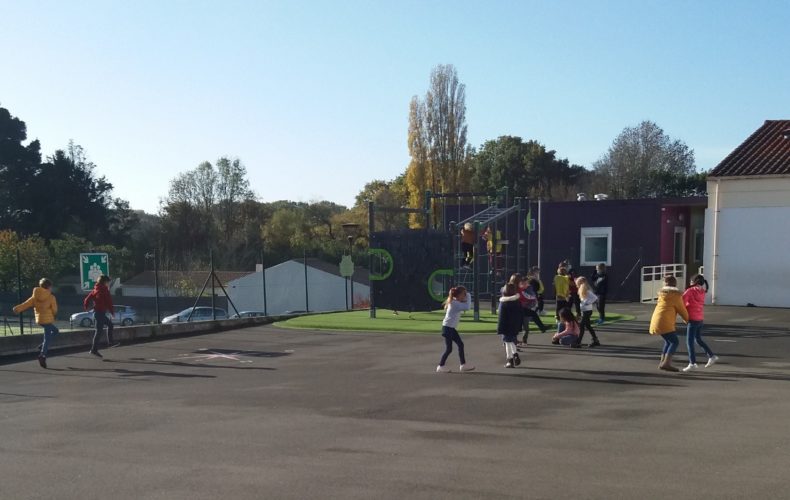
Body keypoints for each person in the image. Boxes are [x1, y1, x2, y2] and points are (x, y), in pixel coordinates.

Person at [13, 278, 58, 369]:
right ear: (48, 287)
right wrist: (54, 315)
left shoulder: (35, 296)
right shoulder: (51, 297)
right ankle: (42, 355)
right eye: (51, 286)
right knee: (47, 339)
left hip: (40, 320)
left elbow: (26, 304)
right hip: (48, 320)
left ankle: (42, 346)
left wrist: (17, 309)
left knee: (56, 331)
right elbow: (54, 309)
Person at [649, 275, 689, 372]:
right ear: (675, 284)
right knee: (675, 341)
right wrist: (688, 320)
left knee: (668, 341)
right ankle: (666, 363)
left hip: (656, 321)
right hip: (665, 322)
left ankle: (662, 362)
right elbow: (682, 310)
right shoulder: (675, 296)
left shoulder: (662, 294)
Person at [681, 274, 718, 372]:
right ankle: (711, 355)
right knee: (698, 339)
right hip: (700, 318)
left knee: (689, 342)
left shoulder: (689, 291)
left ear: (693, 282)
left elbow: (681, 303)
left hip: (692, 319)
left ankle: (692, 363)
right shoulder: (702, 291)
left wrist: (683, 315)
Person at [436, 286, 475, 373]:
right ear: (458, 295)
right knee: (449, 349)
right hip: (448, 328)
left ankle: (463, 365)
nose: (464, 296)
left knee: (460, 344)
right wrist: (468, 295)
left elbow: (464, 303)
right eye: (463, 294)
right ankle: (440, 366)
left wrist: (465, 295)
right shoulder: (455, 304)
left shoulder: (455, 301)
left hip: (450, 328)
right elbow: (467, 307)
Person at [83, 275, 116, 358]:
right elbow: (109, 302)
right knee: (100, 331)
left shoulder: (95, 289)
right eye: (108, 282)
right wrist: (112, 312)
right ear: (105, 282)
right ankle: (99, 347)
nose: (109, 284)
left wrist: (86, 307)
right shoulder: (104, 290)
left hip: (97, 313)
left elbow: (86, 299)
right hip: (100, 313)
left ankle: (96, 349)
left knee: (103, 329)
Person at [517, 276, 547, 346]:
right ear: (521, 283)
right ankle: (513, 341)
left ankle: (524, 341)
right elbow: (529, 297)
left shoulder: (529, 289)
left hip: (526, 309)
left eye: (527, 283)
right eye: (525, 283)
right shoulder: (518, 289)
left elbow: (532, 297)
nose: (527, 285)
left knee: (526, 327)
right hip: (519, 310)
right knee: (517, 327)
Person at [498, 284, 523, 368]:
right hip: (514, 325)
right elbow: (520, 314)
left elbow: (501, 317)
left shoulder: (503, 303)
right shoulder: (517, 301)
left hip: (506, 326)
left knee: (507, 342)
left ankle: (510, 359)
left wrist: (500, 328)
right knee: (511, 340)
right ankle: (514, 355)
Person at [574, 276, 601, 348]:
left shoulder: (587, 291)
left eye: (578, 283)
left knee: (582, 326)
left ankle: (578, 342)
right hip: (585, 311)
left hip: (587, 311)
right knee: (588, 326)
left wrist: (587, 303)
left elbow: (595, 298)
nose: (577, 285)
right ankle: (595, 340)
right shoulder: (583, 290)